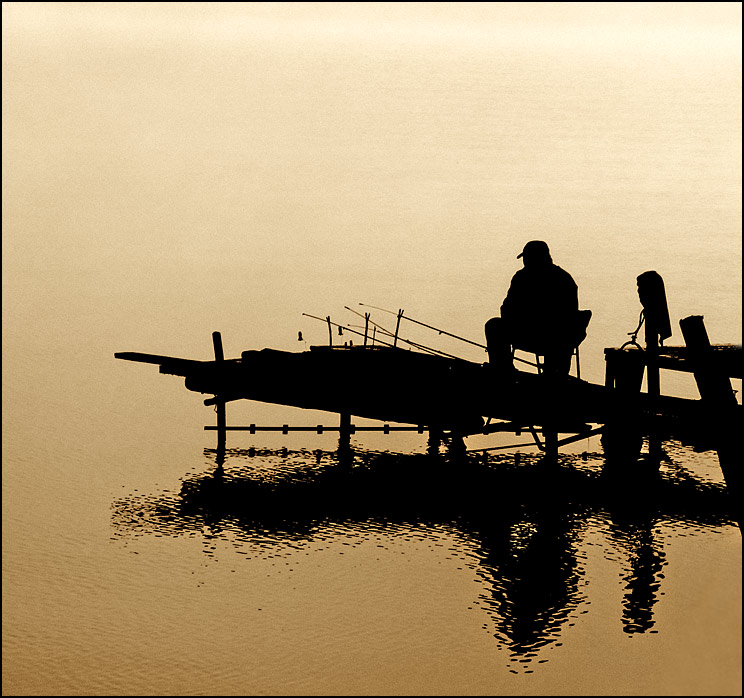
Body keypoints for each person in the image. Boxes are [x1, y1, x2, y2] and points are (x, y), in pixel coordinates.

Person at [485, 240, 587, 377]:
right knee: (494, 325)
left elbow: (507, 309)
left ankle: (504, 372)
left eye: (527, 258)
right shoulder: (563, 278)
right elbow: (507, 308)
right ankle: (504, 370)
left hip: (550, 336)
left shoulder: (555, 279)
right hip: (535, 333)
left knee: (494, 326)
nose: (525, 262)